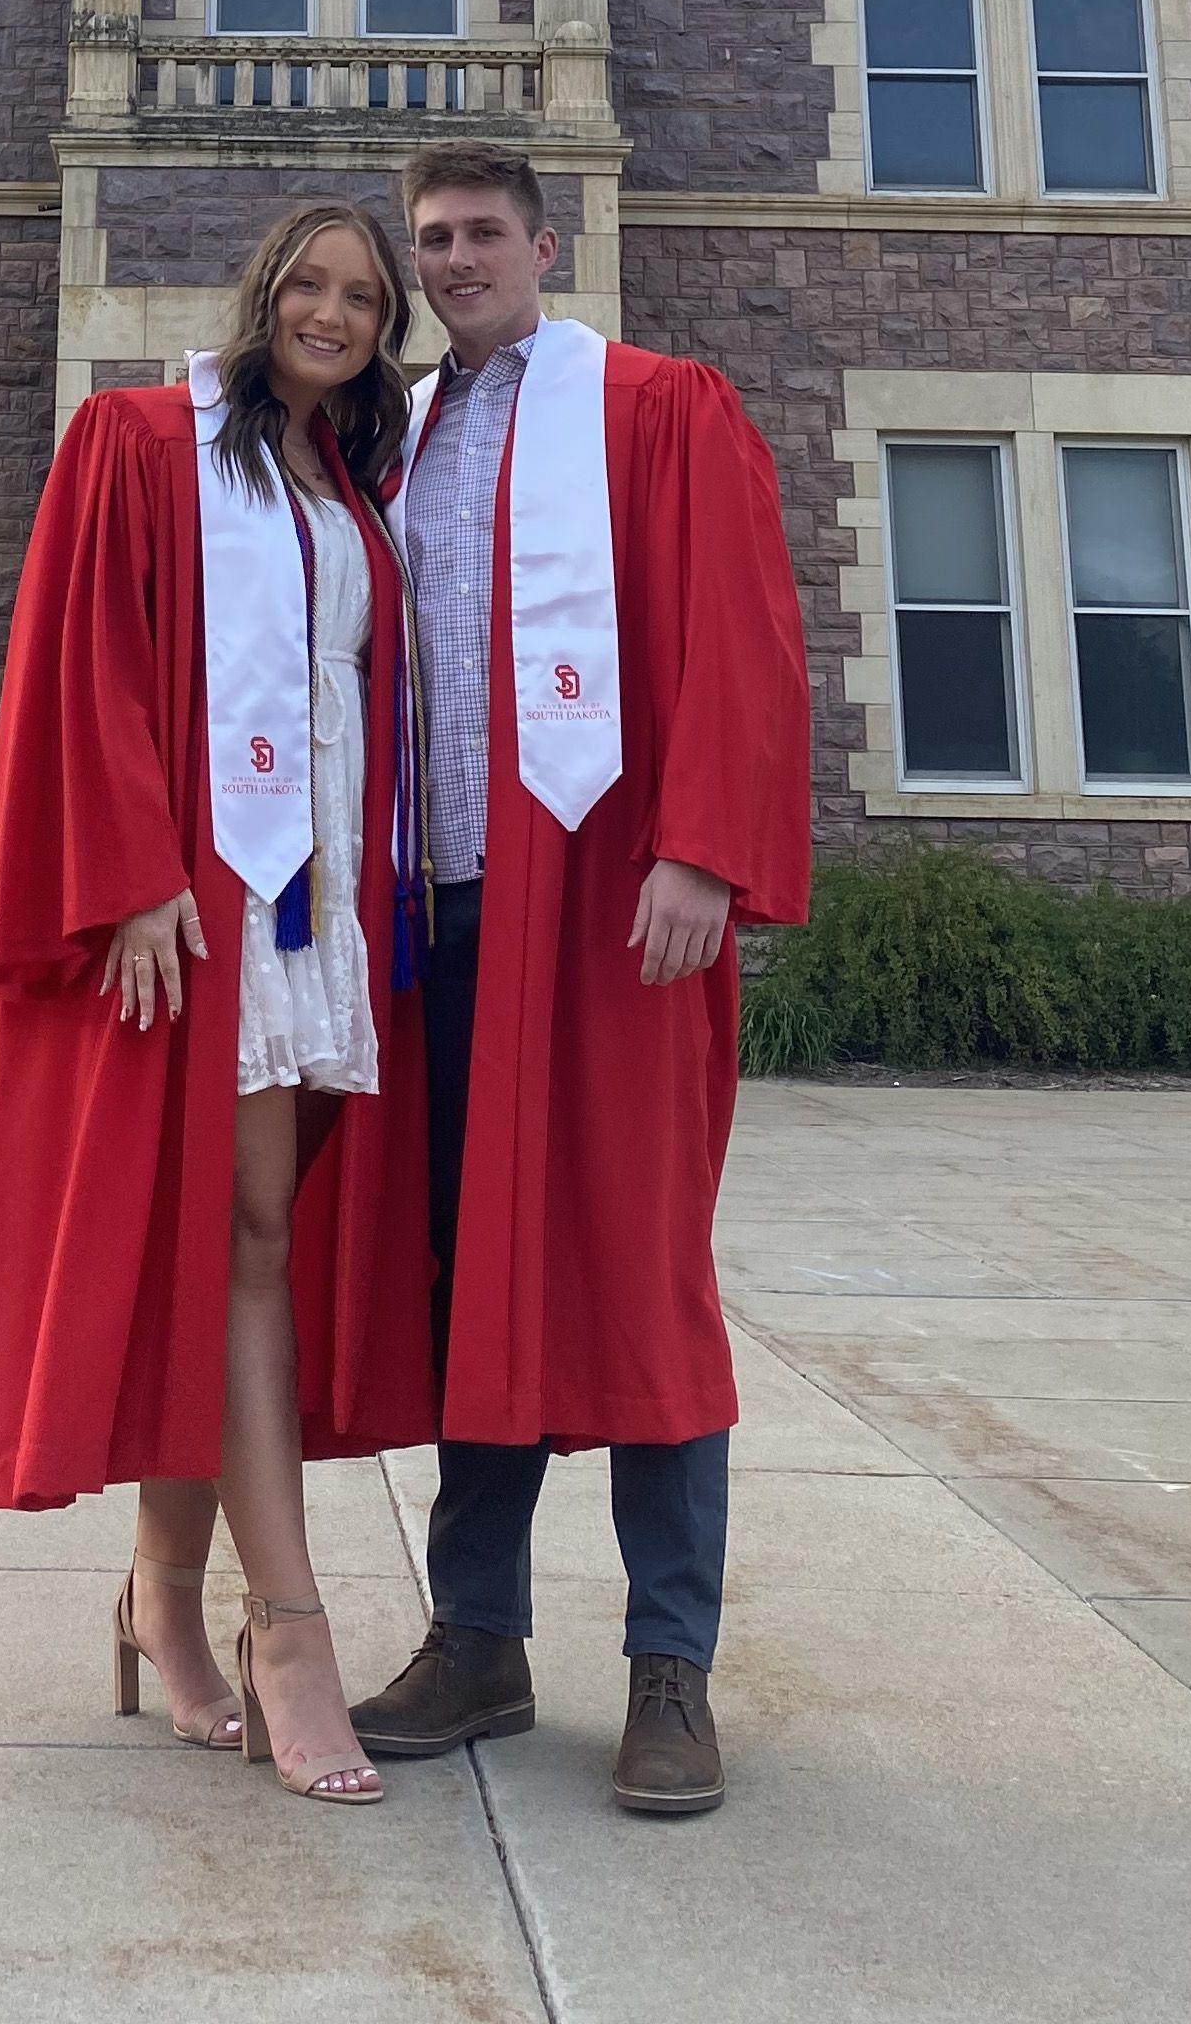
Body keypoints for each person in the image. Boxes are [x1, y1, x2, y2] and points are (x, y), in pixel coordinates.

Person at [0, 200, 441, 1802]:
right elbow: (78, 658)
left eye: (366, 297)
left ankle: (156, 1595)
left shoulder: (347, 481)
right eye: (311, 283)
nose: (337, 312)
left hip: (315, 924)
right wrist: (135, 872)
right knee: (242, 1241)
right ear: (262, 294)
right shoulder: (141, 441)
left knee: (234, 1251)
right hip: (199, 910)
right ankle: (284, 1626)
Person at [343, 143, 813, 1818]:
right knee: (473, 1272)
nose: (454, 259)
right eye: (431, 240)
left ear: (549, 244)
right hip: (436, 915)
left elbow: (743, 636)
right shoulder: (389, 435)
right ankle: (479, 1642)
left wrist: (702, 849)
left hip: (612, 907)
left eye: (480, 234)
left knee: (638, 1270)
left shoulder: (657, 406)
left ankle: (669, 1669)